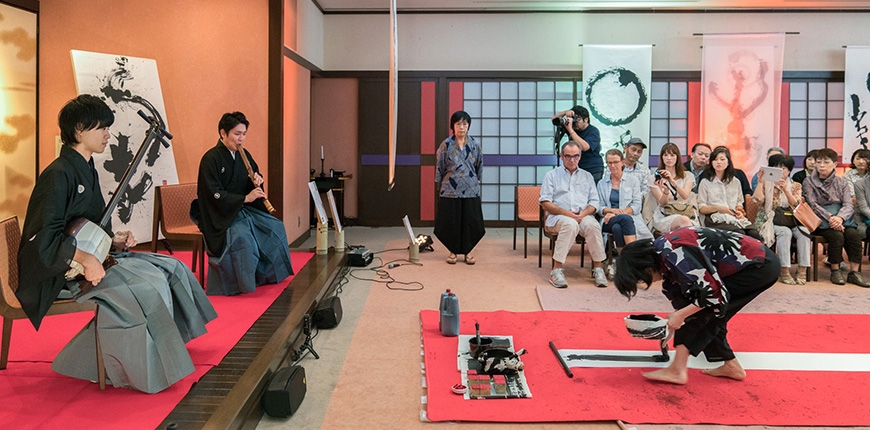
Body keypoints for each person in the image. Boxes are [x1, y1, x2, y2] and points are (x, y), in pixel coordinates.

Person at [16, 94, 217, 393]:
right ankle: (126, 368)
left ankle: (167, 347)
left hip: (85, 257)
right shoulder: (57, 175)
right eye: (102, 127)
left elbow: (90, 224)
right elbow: (43, 238)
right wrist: (86, 258)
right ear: (80, 129)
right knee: (144, 288)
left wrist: (114, 240)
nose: (108, 134)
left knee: (170, 267)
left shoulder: (87, 167)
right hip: (59, 271)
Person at [613, 227, 779, 385]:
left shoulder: (672, 252)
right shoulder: (665, 257)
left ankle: (677, 370)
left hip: (758, 265)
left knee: (703, 313)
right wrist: (672, 323)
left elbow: (713, 294)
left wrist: (681, 316)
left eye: (640, 278)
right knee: (707, 313)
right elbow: (686, 301)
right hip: (752, 264)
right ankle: (731, 365)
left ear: (646, 268)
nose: (643, 282)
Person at [192, 111, 294, 295]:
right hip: (220, 214)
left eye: (244, 134)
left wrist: (257, 180)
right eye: (237, 134)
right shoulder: (211, 158)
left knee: (275, 227)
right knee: (243, 238)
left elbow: (251, 178)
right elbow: (212, 193)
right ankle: (239, 283)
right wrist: (245, 198)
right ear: (223, 133)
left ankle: (265, 276)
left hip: (242, 209)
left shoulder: (243, 154)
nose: (241, 139)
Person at [540, 141, 608, 289]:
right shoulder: (551, 175)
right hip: (558, 216)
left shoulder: (587, 176)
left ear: (580, 156)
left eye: (576, 156)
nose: (572, 160)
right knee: (570, 224)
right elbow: (545, 202)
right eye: (568, 156)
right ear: (561, 156)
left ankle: (598, 268)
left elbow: (594, 202)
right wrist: (567, 213)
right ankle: (556, 271)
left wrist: (584, 213)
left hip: (582, 215)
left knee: (593, 225)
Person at [802, 148, 870, 287]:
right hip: (820, 220)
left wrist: (839, 218)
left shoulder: (841, 182)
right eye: (819, 162)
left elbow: (848, 204)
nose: (821, 165)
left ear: (834, 164)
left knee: (854, 235)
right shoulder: (808, 182)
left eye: (826, 162)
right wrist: (831, 218)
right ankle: (835, 270)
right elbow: (813, 205)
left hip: (841, 219)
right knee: (836, 236)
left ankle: (854, 273)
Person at [434, 110, 485, 265]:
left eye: (464, 124)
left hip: (470, 189)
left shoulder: (475, 145)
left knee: (470, 221)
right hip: (450, 189)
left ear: (468, 125)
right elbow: (440, 166)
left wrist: (476, 180)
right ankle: (453, 251)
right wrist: (439, 183)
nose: (461, 127)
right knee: (451, 221)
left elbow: (479, 166)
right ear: (453, 126)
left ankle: (468, 252)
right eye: (458, 124)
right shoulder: (446, 145)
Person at [751, 154, 810, 284]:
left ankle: (802, 270)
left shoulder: (795, 185)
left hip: (792, 219)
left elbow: (796, 204)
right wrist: (760, 182)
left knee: (804, 232)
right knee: (785, 232)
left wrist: (786, 190)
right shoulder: (765, 183)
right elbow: (757, 200)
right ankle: (785, 270)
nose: (780, 172)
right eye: (775, 168)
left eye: (783, 168)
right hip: (769, 219)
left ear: (789, 170)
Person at [697, 146, 760, 239]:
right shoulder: (705, 182)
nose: (718, 162)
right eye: (715, 159)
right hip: (715, 218)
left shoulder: (735, 181)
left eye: (722, 159)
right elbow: (702, 208)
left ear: (728, 162)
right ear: (711, 163)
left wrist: (739, 211)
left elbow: (739, 203)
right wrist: (718, 208)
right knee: (739, 233)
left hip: (734, 217)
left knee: (754, 234)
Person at [597, 149, 653, 252]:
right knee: (625, 219)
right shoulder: (602, 183)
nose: (613, 166)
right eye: (609, 163)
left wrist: (616, 214)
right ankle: (632, 255)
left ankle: (622, 257)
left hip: (629, 218)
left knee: (617, 228)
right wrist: (612, 211)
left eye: (615, 162)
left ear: (622, 162)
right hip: (608, 220)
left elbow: (637, 206)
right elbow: (599, 207)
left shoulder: (633, 181)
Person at [649, 142, 696, 235]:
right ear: (662, 158)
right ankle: (692, 244)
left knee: (685, 221)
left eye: (672, 155)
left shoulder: (688, 176)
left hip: (686, 213)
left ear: (677, 157)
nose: (669, 158)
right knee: (684, 221)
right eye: (665, 155)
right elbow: (662, 203)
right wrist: (666, 190)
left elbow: (685, 196)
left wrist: (673, 182)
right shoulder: (653, 178)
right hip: (665, 215)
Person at [552, 106, 604, 182]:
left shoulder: (593, 131)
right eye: (574, 118)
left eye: (578, 119)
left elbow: (584, 147)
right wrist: (566, 112)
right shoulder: (573, 128)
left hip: (592, 168)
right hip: (577, 168)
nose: (575, 122)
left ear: (586, 120)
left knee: (591, 189)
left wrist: (570, 130)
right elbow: (554, 119)